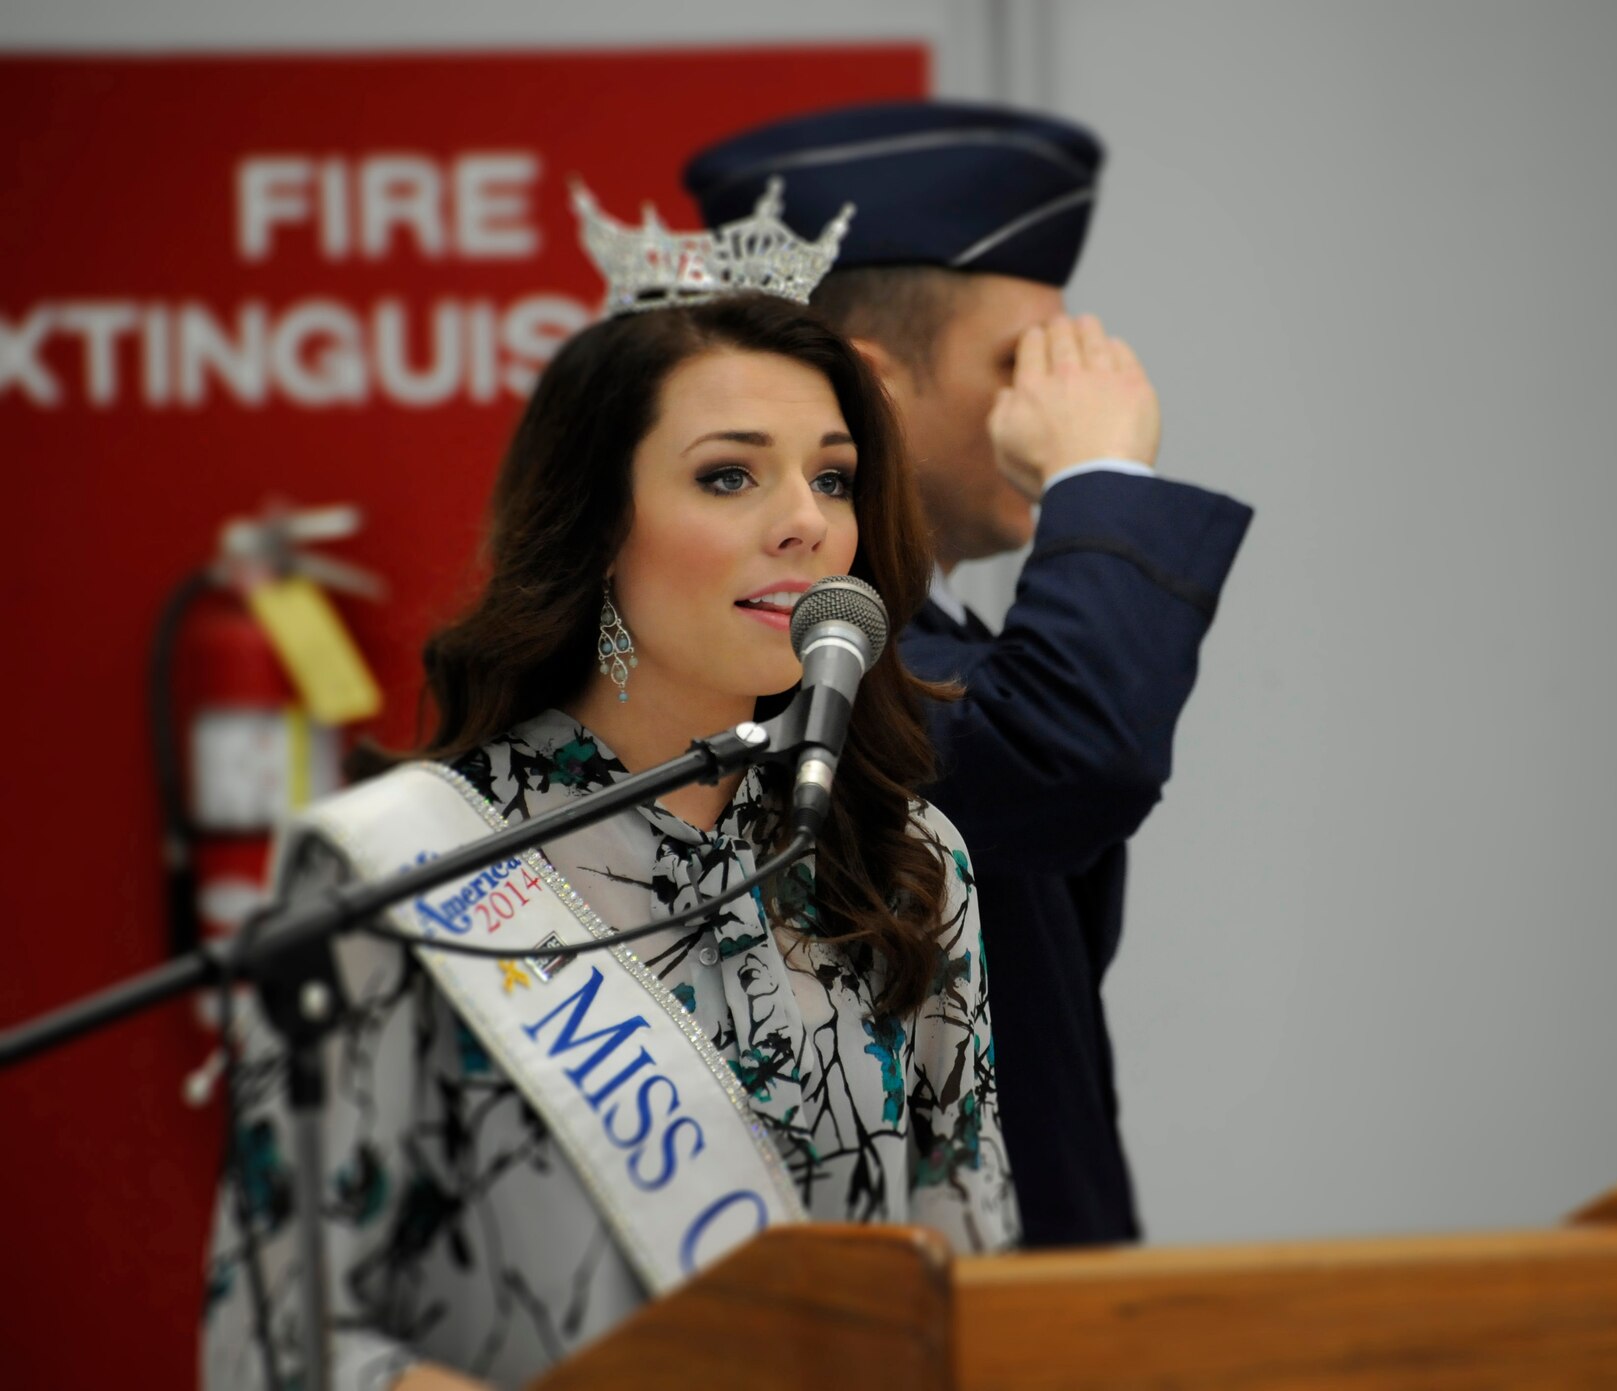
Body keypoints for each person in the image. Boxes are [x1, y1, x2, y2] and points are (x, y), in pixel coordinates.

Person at [202, 184, 1016, 1391]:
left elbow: (975, 1283)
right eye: (730, 477)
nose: (804, 522)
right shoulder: (405, 866)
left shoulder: (905, 857)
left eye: (834, 479)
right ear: (596, 528)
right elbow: (279, 1346)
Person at [686, 103, 1253, 1247]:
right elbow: (1063, 748)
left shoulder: (912, 632)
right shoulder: (770, 656)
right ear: (868, 387)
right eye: (1020, 361)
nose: (1061, 391)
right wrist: (1096, 467)